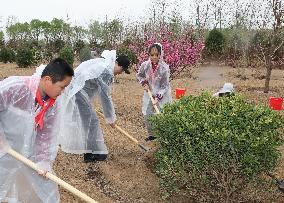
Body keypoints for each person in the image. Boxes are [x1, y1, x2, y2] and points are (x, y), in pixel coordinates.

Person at [0, 58, 74, 203]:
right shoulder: (14, 88)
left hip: (28, 151)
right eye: (62, 87)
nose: (62, 92)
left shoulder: (52, 104)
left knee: (45, 188)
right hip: (3, 148)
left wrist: (43, 160)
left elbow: (46, 134)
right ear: (47, 79)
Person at [59, 50, 130, 163]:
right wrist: (111, 118)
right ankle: (91, 154)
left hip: (79, 91)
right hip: (78, 91)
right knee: (92, 122)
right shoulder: (106, 70)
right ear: (117, 64)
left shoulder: (104, 64)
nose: (120, 73)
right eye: (121, 70)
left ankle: (92, 152)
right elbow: (105, 96)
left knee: (89, 121)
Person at [137, 43, 172, 141]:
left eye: (157, 54)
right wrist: (144, 83)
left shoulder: (164, 68)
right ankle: (152, 135)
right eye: (152, 55)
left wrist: (158, 97)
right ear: (149, 55)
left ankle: (164, 135)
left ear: (160, 54)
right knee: (147, 113)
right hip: (149, 91)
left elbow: (165, 85)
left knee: (161, 113)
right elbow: (139, 75)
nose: (154, 57)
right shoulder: (145, 65)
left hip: (162, 94)